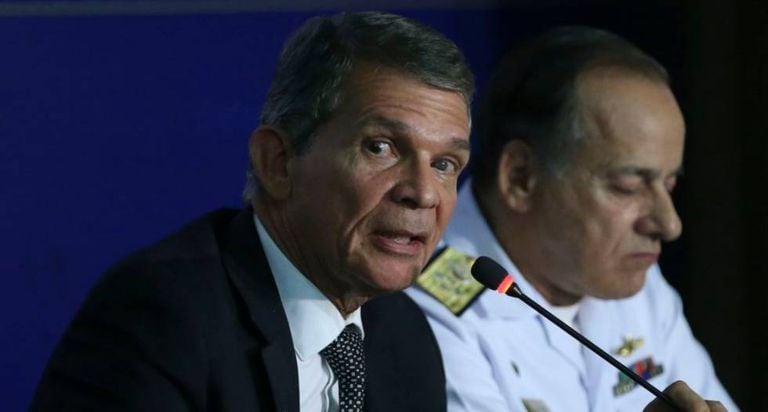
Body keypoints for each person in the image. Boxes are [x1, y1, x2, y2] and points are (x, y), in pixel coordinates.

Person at [31, 12, 474, 411]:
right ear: (277, 162)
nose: (423, 193)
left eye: (444, 164)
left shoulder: (403, 336)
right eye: (380, 147)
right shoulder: (164, 317)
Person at [408, 26, 737, 411]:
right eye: (629, 186)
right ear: (521, 178)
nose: (669, 224)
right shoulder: (421, 312)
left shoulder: (635, 279)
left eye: (670, 184)